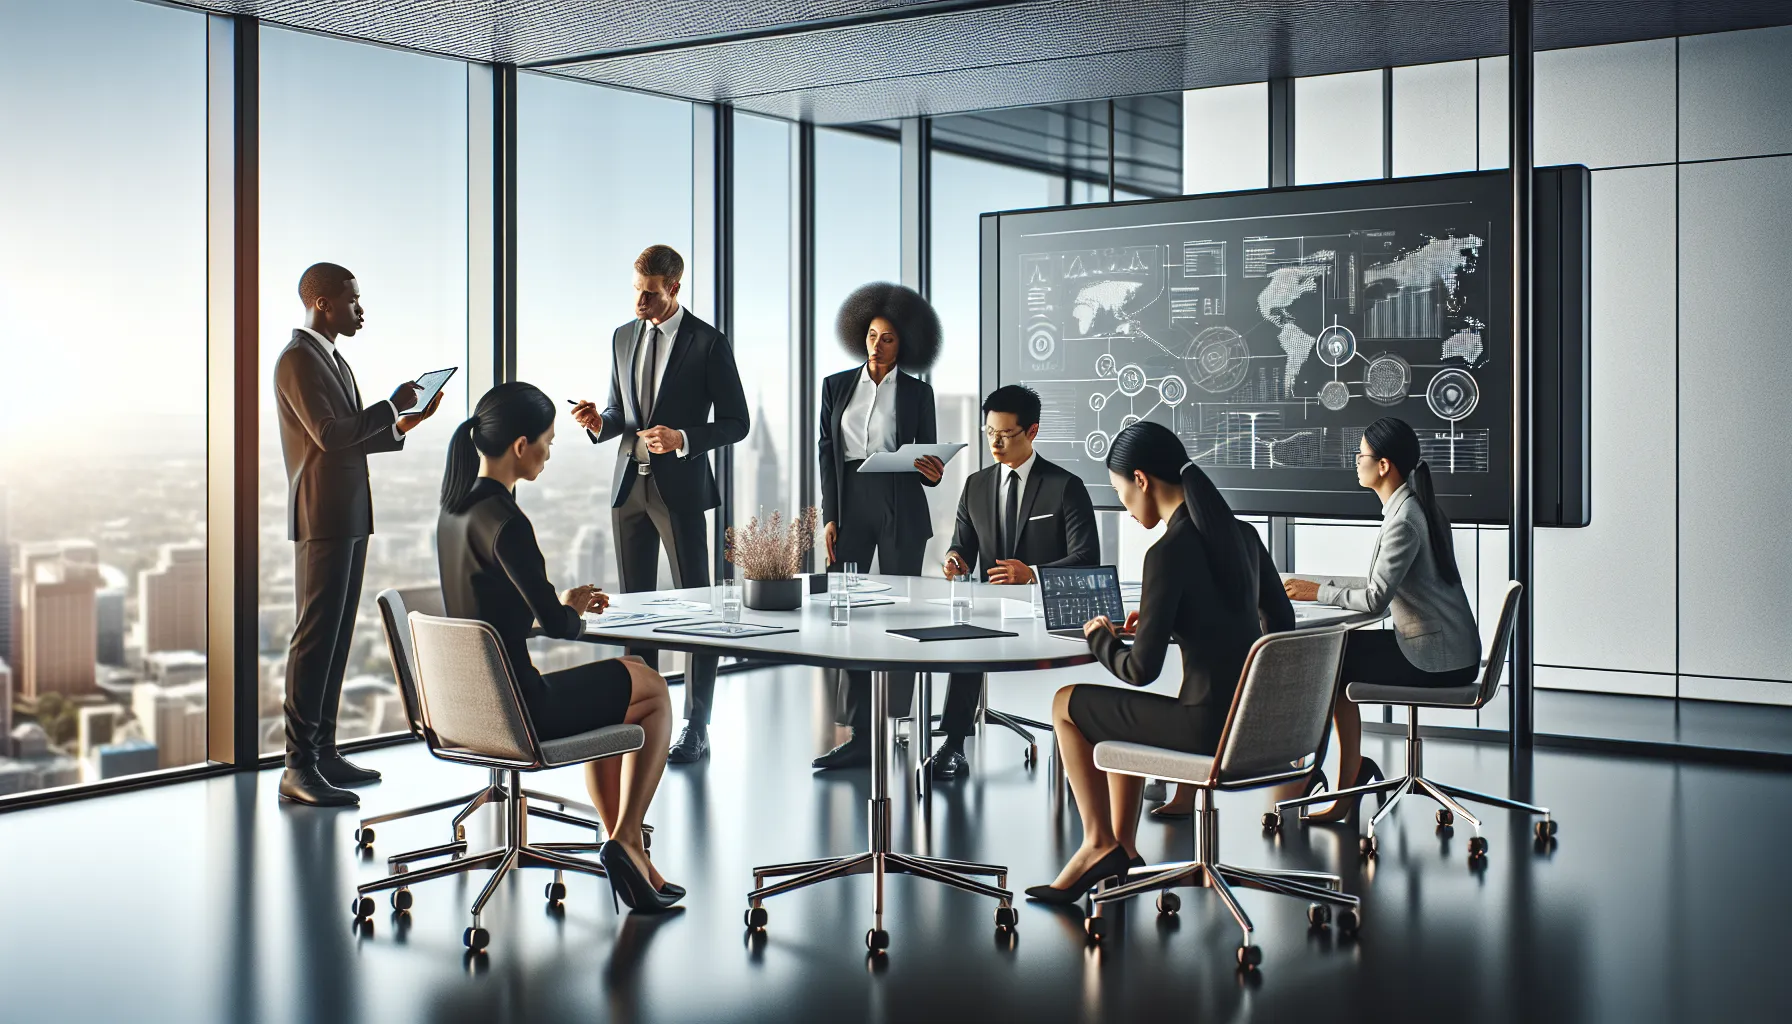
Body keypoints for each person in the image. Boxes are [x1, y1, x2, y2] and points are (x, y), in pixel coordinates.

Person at [1025, 421, 1293, 904]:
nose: (1126, 509)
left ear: (1142, 480)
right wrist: (1165, 620)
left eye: (1122, 493)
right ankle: (1123, 849)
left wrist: (1101, 638)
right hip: (1257, 725)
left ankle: (1097, 841)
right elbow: (1280, 622)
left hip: (1207, 730)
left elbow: (1139, 670)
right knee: (1118, 711)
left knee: (1067, 703)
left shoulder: (1168, 552)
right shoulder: (1242, 536)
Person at [439, 382, 682, 912]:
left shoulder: (455, 512)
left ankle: (631, 850)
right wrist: (566, 610)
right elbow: (559, 627)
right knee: (651, 688)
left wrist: (557, 603)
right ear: (521, 445)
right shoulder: (508, 521)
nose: (549, 453)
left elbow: (488, 616)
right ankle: (625, 841)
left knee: (623, 692)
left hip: (470, 709)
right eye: (547, 441)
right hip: (522, 710)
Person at [571, 245, 749, 766]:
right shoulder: (622, 337)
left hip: (682, 492)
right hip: (629, 487)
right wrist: (597, 422)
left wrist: (684, 437)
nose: (639, 302)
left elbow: (736, 422)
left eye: (649, 293)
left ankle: (697, 725)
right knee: (636, 609)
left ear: (674, 287)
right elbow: (618, 414)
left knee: (701, 610)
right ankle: (641, 715)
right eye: (635, 291)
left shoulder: (709, 344)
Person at [274, 262, 443, 807]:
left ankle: (322, 752)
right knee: (315, 636)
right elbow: (327, 436)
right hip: (323, 517)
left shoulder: (332, 360)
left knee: (338, 634)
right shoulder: (297, 360)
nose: (360, 308)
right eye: (353, 299)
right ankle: (296, 766)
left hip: (348, 514)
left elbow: (348, 439)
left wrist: (400, 424)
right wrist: (391, 405)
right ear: (323, 302)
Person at [1282, 416, 1479, 822]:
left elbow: (1374, 600)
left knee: (1330, 663)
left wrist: (1316, 592)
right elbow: (1382, 583)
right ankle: (1346, 775)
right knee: (1335, 657)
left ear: (1384, 465)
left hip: (1436, 659)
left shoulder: (1404, 518)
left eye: (1362, 455)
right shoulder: (1409, 506)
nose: (1356, 462)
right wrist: (1313, 583)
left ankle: (1338, 783)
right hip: (1447, 648)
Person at [931, 384, 1098, 779]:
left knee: (969, 639)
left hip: (1042, 610)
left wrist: (1033, 575)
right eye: (990, 433)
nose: (996, 443)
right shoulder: (975, 485)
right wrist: (954, 560)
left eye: (1006, 435)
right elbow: (962, 548)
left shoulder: (1065, 487)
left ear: (1032, 431)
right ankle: (953, 744)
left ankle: (1076, 744)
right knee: (964, 639)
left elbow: (1088, 558)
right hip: (990, 609)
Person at [812, 282, 946, 770]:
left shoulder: (918, 392)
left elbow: (927, 459)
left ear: (902, 343)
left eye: (887, 338)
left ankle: (898, 720)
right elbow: (828, 455)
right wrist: (830, 516)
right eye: (871, 335)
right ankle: (858, 734)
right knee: (848, 612)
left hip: (900, 496)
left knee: (901, 616)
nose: (877, 344)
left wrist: (933, 471)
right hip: (851, 499)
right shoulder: (835, 386)